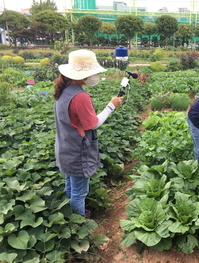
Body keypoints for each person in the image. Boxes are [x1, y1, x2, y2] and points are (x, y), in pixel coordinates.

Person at [53, 49, 124, 217]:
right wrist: (111, 105)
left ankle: (70, 216)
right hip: (77, 150)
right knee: (79, 192)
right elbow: (93, 124)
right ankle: (78, 225)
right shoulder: (80, 96)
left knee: (70, 185)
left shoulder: (63, 90)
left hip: (64, 147)